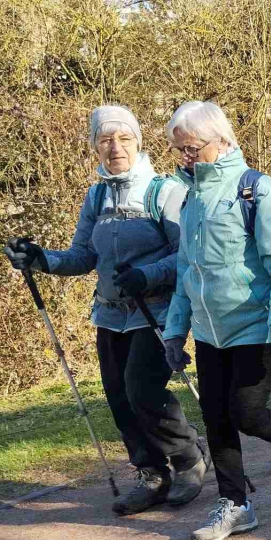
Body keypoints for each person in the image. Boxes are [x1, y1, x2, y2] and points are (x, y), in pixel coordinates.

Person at [4, 105, 209, 515]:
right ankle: (151, 474)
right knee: (118, 396)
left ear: (137, 141)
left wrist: (148, 274)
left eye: (123, 138)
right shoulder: (96, 195)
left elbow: (188, 254)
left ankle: (187, 459)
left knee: (141, 388)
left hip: (158, 311)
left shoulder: (163, 191)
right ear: (96, 147)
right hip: (110, 313)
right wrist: (40, 258)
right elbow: (83, 256)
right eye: (105, 140)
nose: (114, 147)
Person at [162, 101, 271, 540]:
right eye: (179, 150)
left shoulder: (255, 189)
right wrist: (175, 330)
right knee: (216, 417)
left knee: (247, 414)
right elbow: (185, 272)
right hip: (209, 330)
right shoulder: (191, 197)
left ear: (222, 140)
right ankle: (235, 505)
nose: (185, 158)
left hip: (255, 324)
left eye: (192, 148)